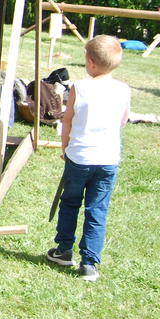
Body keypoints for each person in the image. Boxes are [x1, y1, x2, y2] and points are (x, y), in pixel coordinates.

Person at [47, 35, 130, 283]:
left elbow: (68, 119)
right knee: (97, 210)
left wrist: (65, 146)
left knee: (71, 202)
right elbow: (123, 120)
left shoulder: (80, 88)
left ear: (91, 62)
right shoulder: (123, 89)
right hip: (107, 159)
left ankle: (64, 249)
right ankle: (89, 263)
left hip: (80, 156)